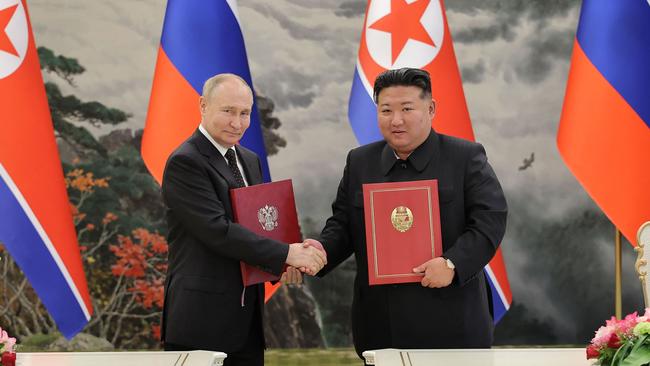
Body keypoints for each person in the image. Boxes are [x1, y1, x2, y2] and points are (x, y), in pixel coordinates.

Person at [298, 68, 507, 358]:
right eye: (386, 110)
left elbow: (489, 222)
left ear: (430, 108)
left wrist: (452, 264)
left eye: (407, 108)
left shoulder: (465, 157)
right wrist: (317, 252)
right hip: (382, 323)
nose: (396, 120)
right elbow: (343, 225)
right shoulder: (360, 162)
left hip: (453, 320)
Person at [160, 73, 326, 366]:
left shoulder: (249, 159)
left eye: (245, 113)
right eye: (228, 111)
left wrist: (284, 263)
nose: (237, 123)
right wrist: (287, 253)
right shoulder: (185, 162)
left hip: (246, 321)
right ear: (203, 105)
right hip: (200, 323)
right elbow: (218, 231)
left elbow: (258, 228)